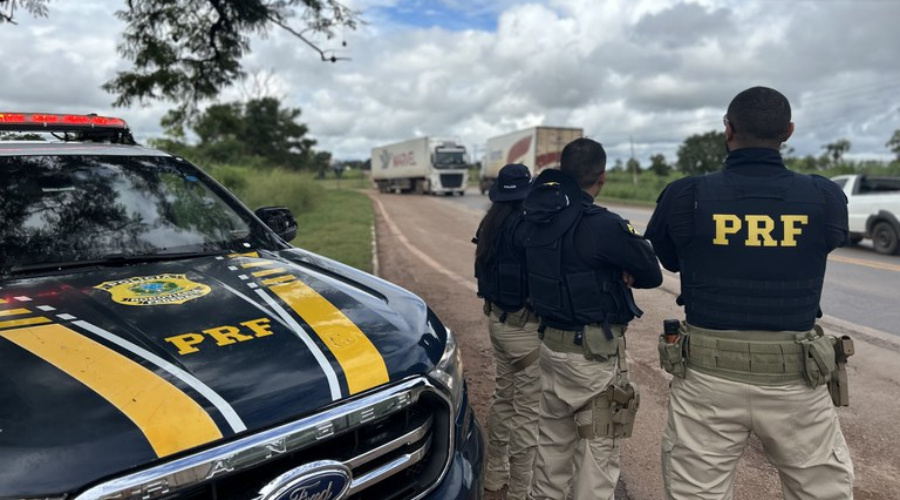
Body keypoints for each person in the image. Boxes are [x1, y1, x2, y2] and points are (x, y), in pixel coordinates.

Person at [645, 86, 854, 500]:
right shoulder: (824, 196)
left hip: (707, 378)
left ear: (727, 129)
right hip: (797, 377)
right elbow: (827, 242)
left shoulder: (685, 194)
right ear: (788, 132)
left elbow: (671, 259)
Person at [522, 138, 662, 500]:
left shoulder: (536, 219)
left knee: (551, 447)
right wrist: (620, 269)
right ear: (601, 177)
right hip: (594, 359)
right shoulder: (602, 225)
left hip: (551, 348)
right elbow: (651, 273)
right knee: (597, 459)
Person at [474, 163, 541, 500]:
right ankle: (520, 489)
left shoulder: (490, 225)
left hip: (497, 322)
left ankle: (495, 473)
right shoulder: (527, 228)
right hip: (524, 330)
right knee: (529, 410)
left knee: (504, 397)